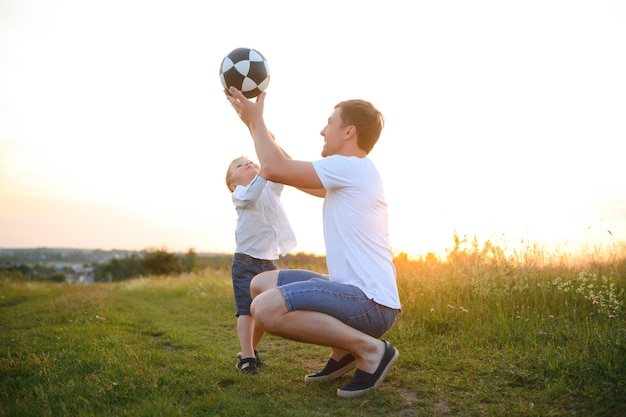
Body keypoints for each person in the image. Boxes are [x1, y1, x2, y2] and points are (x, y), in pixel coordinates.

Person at [225, 87, 401, 398]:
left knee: (265, 309)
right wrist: (255, 126)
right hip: (355, 294)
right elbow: (286, 169)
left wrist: (256, 122)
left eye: (330, 123)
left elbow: (276, 169)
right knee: (260, 283)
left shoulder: (350, 167)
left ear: (349, 131)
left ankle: (371, 350)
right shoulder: (348, 174)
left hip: (370, 303)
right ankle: (343, 351)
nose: (323, 130)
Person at [225, 154, 297, 375]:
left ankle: (251, 350)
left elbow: (280, 171)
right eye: (240, 165)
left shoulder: (269, 189)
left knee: (263, 312)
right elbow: (252, 192)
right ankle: (246, 358)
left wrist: (271, 149)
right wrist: (262, 172)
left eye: (252, 162)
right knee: (247, 311)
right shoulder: (240, 194)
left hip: (267, 263)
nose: (248, 163)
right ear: (232, 184)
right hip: (245, 261)